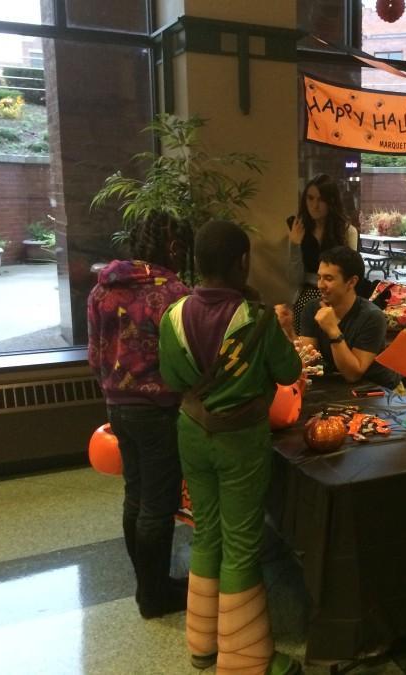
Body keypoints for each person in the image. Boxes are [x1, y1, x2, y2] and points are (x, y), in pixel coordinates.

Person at [158, 221, 303, 674]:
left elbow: (173, 379)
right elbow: (288, 371)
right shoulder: (256, 319)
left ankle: (203, 645)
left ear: (198, 263)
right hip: (241, 441)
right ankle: (246, 661)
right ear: (243, 262)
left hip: (191, 433)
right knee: (241, 542)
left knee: (205, 530)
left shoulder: (174, 314)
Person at [86, 219, 190, 619]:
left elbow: (95, 355)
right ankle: (155, 594)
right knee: (159, 505)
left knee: (135, 493)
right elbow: (183, 360)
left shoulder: (102, 288)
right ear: (173, 245)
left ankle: (146, 583)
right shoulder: (173, 294)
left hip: (117, 405)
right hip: (157, 409)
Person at [298, 246, 400, 389]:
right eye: (319, 277)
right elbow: (308, 362)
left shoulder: (372, 316)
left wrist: (333, 331)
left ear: (351, 282)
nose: (320, 285)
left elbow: (353, 374)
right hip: (340, 385)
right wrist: (288, 333)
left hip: (379, 389)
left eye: (328, 278)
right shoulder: (312, 308)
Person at [288, 174, 359, 334]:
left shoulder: (346, 231)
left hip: (338, 298)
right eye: (310, 198)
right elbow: (294, 279)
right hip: (306, 295)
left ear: (331, 202)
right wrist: (294, 245)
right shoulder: (300, 229)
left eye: (321, 200)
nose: (314, 205)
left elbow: (352, 274)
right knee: (306, 350)